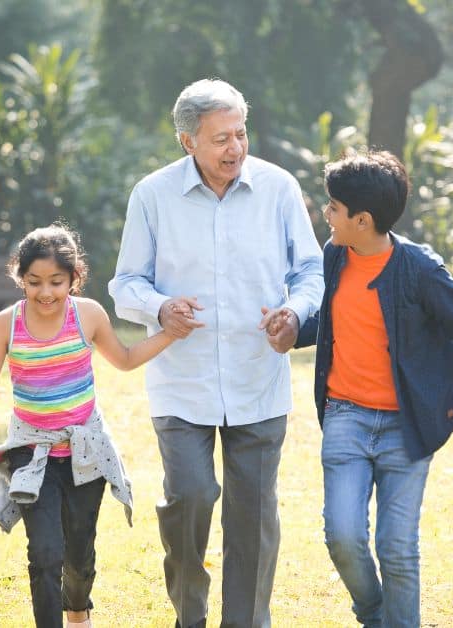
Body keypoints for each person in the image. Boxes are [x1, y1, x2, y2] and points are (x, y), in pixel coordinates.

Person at [108, 78, 324, 628]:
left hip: (259, 379)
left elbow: (310, 270)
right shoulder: (152, 195)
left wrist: (295, 313)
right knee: (191, 499)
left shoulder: (278, 188)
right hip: (183, 384)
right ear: (187, 142)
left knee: (253, 516)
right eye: (220, 138)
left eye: (241, 134)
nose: (235, 148)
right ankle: (190, 615)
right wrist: (159, 309)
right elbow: (126, 282)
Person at [282, 150, 453, 627]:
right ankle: (376, 615)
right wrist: (292, 331)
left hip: (407, 424)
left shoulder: (420, 270)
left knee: (397, 548)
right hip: (346, 415)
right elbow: (334, 321)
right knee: (342, 536)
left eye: (333, 207)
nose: (326, 214)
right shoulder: (335, 256)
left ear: (362, 219)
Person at [0, 224, 177, 628]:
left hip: (85, 451)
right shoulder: (6, 324)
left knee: (80, 553)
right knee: (45, 552)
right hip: (31, 454)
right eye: (34, 282)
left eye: (56, 282)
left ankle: (77, 612)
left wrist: (169, 334)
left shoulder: (87, 315)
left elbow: (123, 358)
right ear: (20, 277)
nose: (45, 292)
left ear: (74, 278)